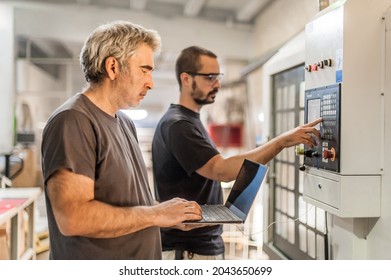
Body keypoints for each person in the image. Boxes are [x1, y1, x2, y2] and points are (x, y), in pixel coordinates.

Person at [40, 21, 201, 260]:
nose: (151, 82)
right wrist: (156, 214)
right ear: (113, 67)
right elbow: (73, 218)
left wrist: (170, 214)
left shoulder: (123, 122)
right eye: (145, 70)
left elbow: (127, 202)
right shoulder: (73, 120)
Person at [151, 45, 322, 260]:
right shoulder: (178, 125)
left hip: (199, 246)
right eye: (210, 77)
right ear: (186, 79)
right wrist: (281, 142)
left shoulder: (190, 121)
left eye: (218, 77)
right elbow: (221, 170)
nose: (217, 84)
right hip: (188, 250)